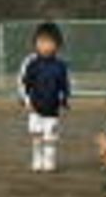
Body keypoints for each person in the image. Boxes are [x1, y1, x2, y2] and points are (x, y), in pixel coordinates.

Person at [17, 22, 71, 173]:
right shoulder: (32, 64)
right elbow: (25, 83)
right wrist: (26, 101)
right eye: (41, 41)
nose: (45, 46)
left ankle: (49, 159)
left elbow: (64, 85)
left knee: (50, 136)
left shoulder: (60, 66)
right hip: (35, 107)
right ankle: (37, 157)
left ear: (57, 45)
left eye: (49, 42)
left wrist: (64, 100)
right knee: (36, 134)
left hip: (52, 108)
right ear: (35, 43)